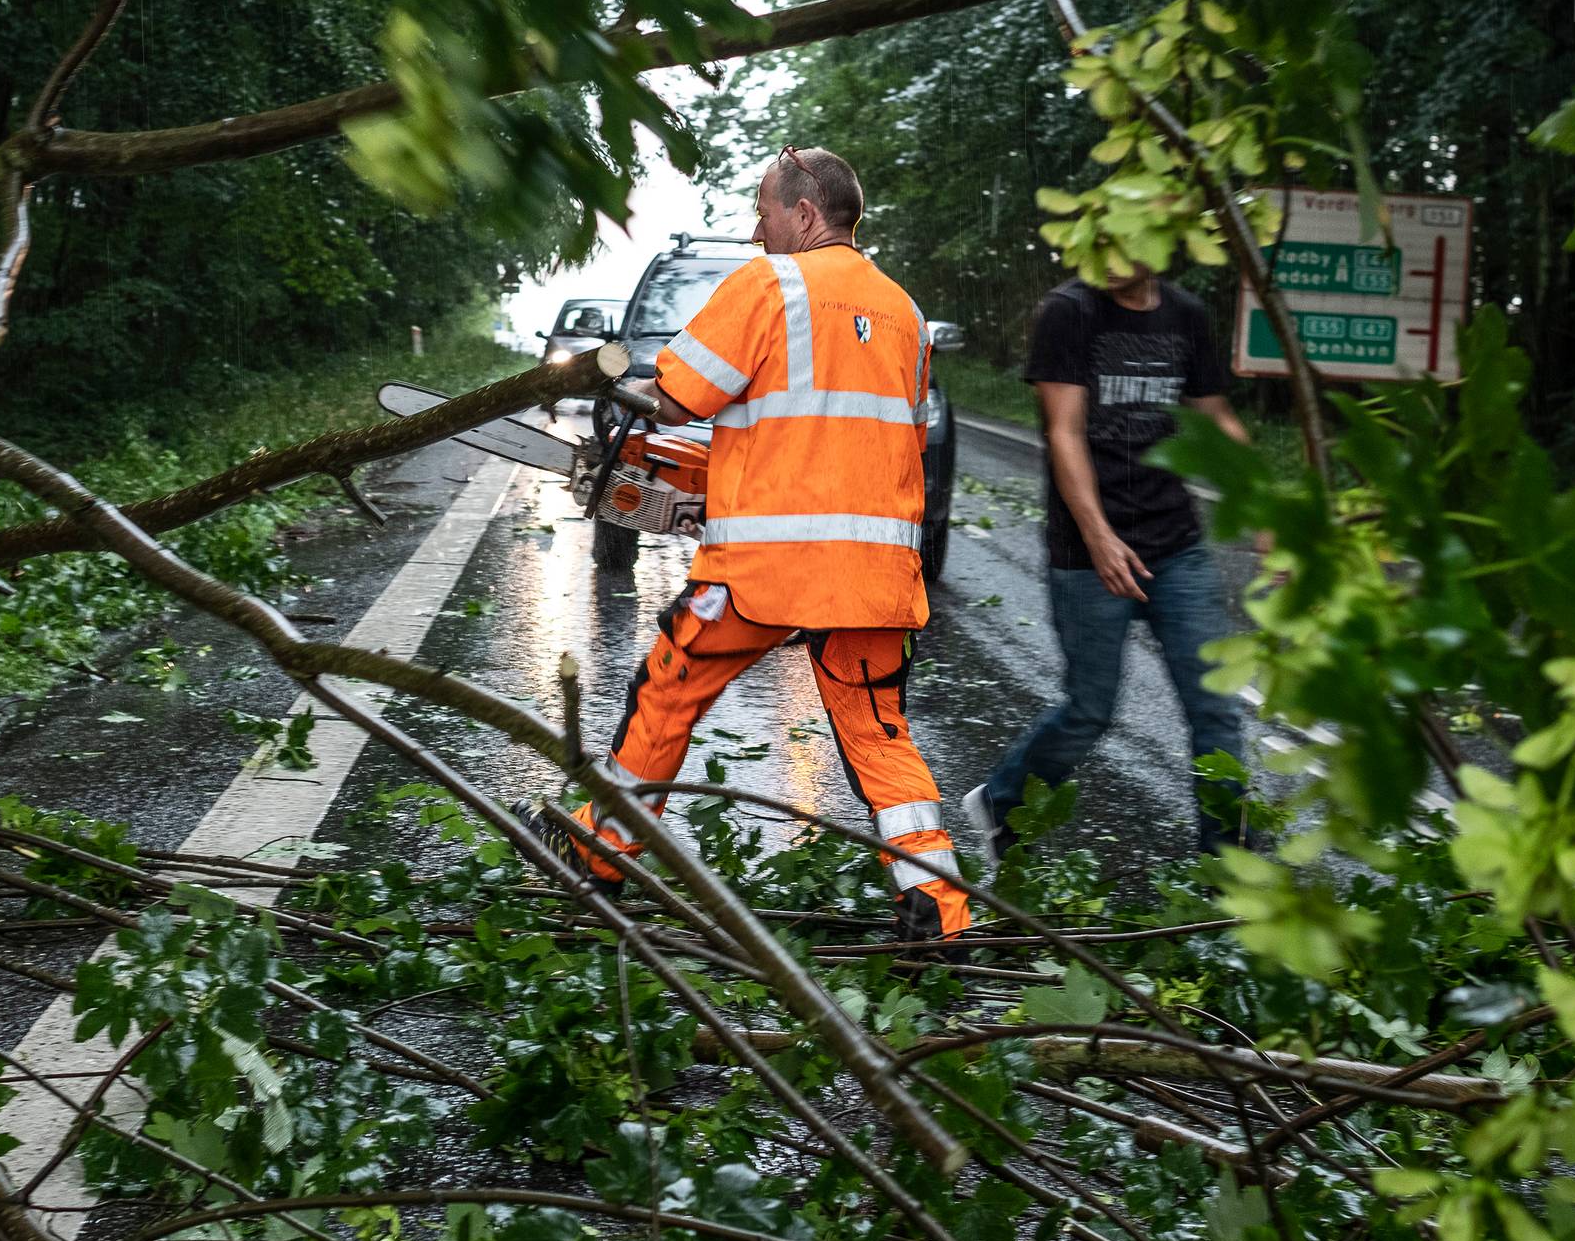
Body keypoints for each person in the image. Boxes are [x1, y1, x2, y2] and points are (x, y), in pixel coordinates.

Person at [539, 146, 971, 943]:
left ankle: (602, 853)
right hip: (874, 577)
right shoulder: (905, 313)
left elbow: (674, 397)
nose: (756, 227)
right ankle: (939, 907)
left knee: (668, 688)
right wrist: (718, 472)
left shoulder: (770, 284)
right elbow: (848, 443)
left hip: (765, 573)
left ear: (804, 213)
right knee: (879, 733)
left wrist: (614, 400)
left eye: (765, 211)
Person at [962, 258, 1261, 864]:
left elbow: (1215, 416)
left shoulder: (1186, 315)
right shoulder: (1069, 311)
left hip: (1176, 544)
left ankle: (1230, 870)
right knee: (1090, 711)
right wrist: (1099, 537)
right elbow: (1065, 431)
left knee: (1216, 709)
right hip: (1088, 552)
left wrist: (1269, 505)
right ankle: (1003, 798)